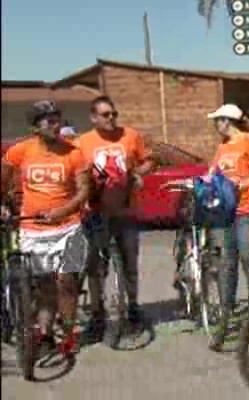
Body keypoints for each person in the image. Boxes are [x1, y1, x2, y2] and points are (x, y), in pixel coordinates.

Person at [0, 100, 90, 354]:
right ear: (36, 127)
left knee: (67, 282)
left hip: (69, 228)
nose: (56, 125)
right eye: (49, 121)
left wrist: (64, 210)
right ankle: (46, 335)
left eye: (57, 120)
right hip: (33, 229)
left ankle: (69, 335)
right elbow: (3, 177)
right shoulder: (21, 151)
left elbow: (84, 189)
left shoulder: (73, 152)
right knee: (44, 286)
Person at [78, 95, 154, 340]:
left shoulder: (130, 136)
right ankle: (98, 315)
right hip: (96, 213)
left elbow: (149, 160)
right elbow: (75, 174)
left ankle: (133, 308)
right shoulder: (81, 143)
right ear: (93, 118)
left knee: (130, 263)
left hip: (126, 211)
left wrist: (136, 174)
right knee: (96, 268)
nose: (111, 118)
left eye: (114, 114)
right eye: (105, 115)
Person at [205, 104, 249, 352]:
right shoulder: (222, 148)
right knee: (226, 263)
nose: (215, 126)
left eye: (217, 121)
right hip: (227, 209)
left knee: (246, 255)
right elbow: (213, 173)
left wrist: (246, 182)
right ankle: (225, 317)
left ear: (227, 121)